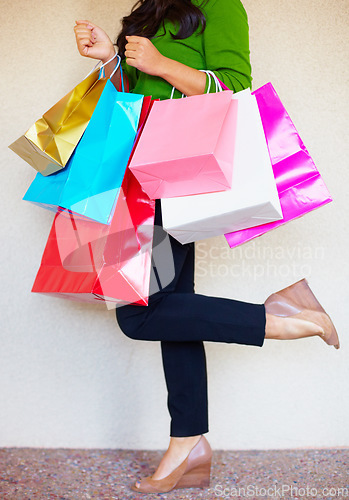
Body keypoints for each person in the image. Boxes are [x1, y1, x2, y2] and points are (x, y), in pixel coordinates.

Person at [73, 0, 339, 493]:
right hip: (134, 172)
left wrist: (162, 62)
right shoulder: (148, 8)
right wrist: (111, 59)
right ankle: (187, 445)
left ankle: (283, 319)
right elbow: (134, 98)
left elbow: (236, 89)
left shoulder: (219, 5)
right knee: (171, 309)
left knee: (140, 314)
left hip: (176, 173)